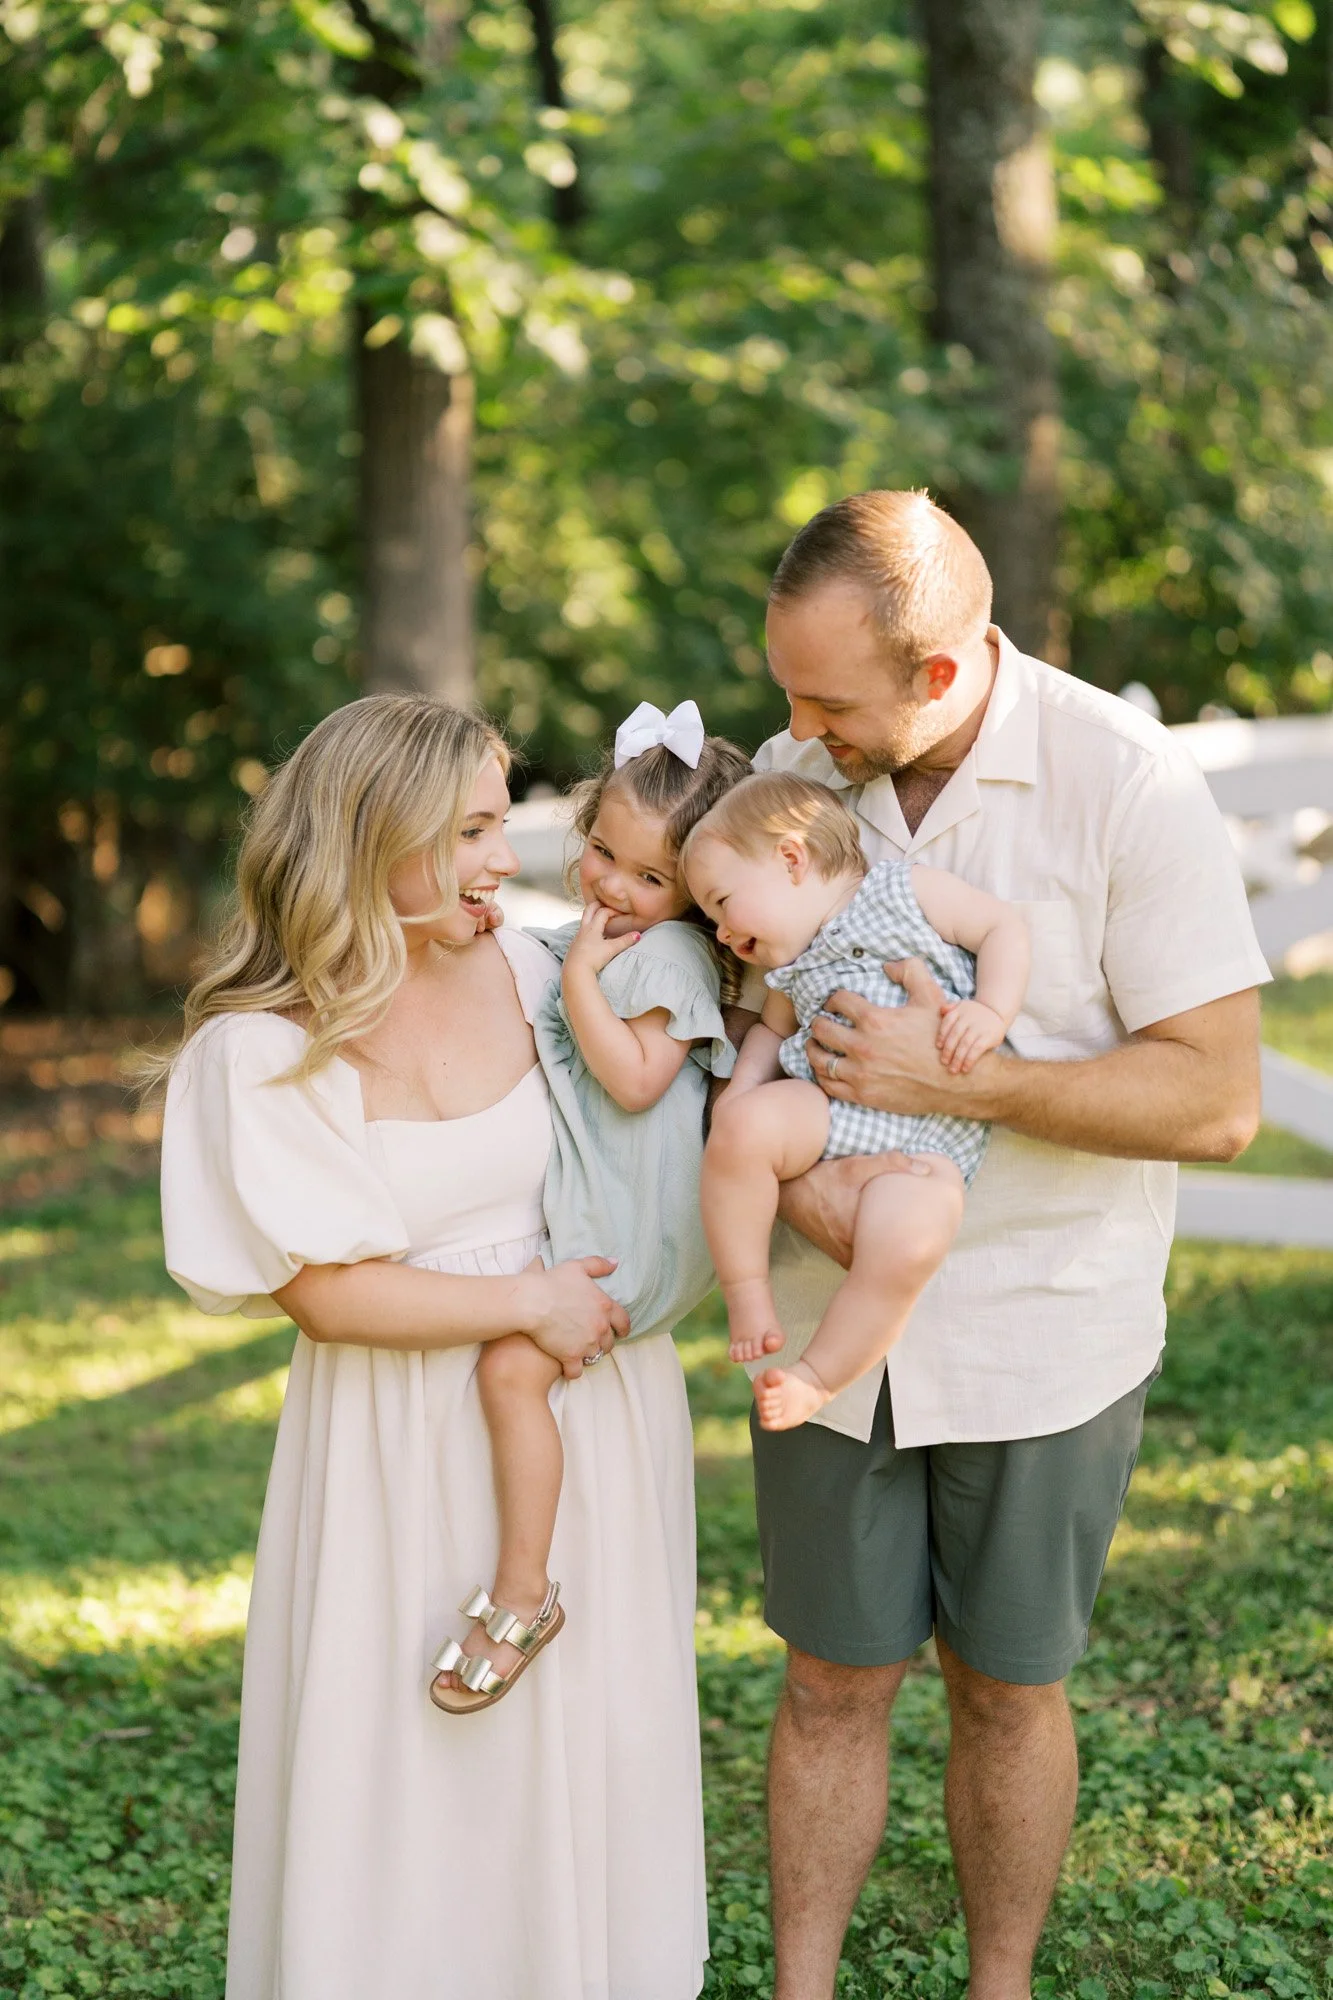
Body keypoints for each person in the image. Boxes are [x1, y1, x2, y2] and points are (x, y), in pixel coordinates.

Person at [730, 490, 1268, 2000]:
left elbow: (1218, 1098)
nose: (796, 731)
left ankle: (1000, 1987)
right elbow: (729, 1013)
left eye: (827, 702)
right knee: (830, 1681)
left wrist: (961, 1077)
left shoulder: (1125, 782)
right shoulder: (792, 776)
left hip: (1048, 1329)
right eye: (786, 691)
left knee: (1007, 1689)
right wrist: (798, 1185)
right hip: (832, 1330)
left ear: (943, 676)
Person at [158, 695, 709, 2000]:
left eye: (497, 824)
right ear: (369, 838)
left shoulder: (542, 970)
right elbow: (330, 1296)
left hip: (593, 1417)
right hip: (399, 1437)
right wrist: (526, 1307)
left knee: (585, 1748)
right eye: (466, 832)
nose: (500, 861)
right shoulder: (265, 1049)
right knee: (407, 1761)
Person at [433, 699, 750, 1710]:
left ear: (700, 890)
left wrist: (575, 973)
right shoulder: (625, 933)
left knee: (509, 1369)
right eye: (601, 851)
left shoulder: (667, 955)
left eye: (651, 877)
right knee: (508, 1368)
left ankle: (522, 1587)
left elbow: (635, 1080)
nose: (613, 884)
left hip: (629, 1238)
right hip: (608, 1213)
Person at [684, 771, 1028, 1431]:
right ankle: (747, 1294)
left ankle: (817, 1377)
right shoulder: (792, 965)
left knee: (902, 1246)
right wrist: (738, 1109)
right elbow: (770, 1030)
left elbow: (1001, 928)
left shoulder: (905, 889)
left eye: (723, 902)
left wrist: (990, 1009)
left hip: (928, 1142)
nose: (722, 931)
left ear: (791, 859)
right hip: (831, 1111)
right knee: (743, 1128)